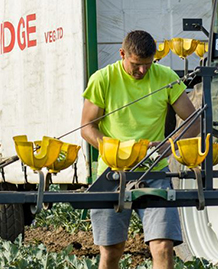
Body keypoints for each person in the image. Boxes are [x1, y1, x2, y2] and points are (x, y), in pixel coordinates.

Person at [80, 30, 197, 269]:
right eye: (136, 65)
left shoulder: (166, 77)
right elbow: (87, 128)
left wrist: (168, 146)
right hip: (112, 173)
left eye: (148, 64)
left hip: (154, 173)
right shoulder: (103, 79)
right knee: (112, 251)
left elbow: (195, 120)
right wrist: (116, 149)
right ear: (122, 54)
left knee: (163, 246)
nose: (143, 71)